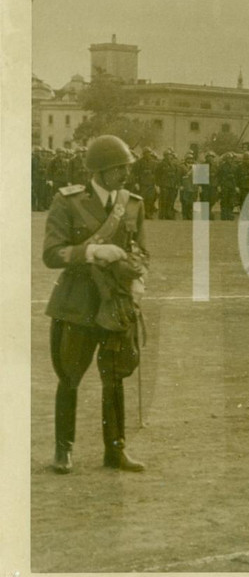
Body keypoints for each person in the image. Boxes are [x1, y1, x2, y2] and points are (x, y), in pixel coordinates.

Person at [42, 134, 149, 474]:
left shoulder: (133, 204)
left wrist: (138, 278)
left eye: (127, 167)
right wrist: (91, 251)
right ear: (99, 171)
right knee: (70, 377)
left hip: (114, 306)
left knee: (114, 379)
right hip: (77, 305)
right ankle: (64, 450)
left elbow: (140, 252)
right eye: (119, 168)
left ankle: (115, 451)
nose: (125, 174)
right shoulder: (67, 202)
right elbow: (51, 254)